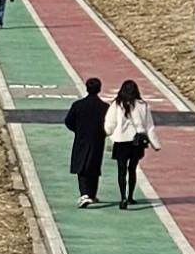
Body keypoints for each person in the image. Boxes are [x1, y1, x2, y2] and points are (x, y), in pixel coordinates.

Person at [104, 79, 161, 209]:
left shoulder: (116, 104)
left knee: (121, 170)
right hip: (137, 142)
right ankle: (130, 196)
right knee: (132, 169)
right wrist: (155, 144)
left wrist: (107, 133)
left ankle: (123, 196)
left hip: (121, 141)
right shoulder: (142, 105)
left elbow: (110, 123)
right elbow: (149, 126)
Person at [65, 77, 110, 208]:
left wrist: (78, 130)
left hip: (81, 139)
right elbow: (109, 124)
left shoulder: (78, 105)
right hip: (97, 140)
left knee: (81, 166)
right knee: (94, 166)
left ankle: (84, 193)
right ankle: (92, 193)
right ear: (99, 89)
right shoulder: (104, 107)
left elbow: (69, 121)